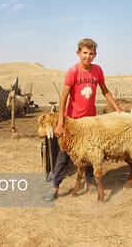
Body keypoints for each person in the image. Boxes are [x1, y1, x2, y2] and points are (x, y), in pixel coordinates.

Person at [44, 38, 120, 202]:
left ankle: (90, 182)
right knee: (64, 154)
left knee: (92, 153)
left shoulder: (97, 70)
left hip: (91, 121)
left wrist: (118, 110)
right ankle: (55, 188)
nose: (88, 56)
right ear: (78, 53)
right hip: (74, 121)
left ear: (95, 55)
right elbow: (63, 97)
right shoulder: (73, 71)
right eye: (85, 53)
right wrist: (61, 123)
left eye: (91, 53)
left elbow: (105, 91)